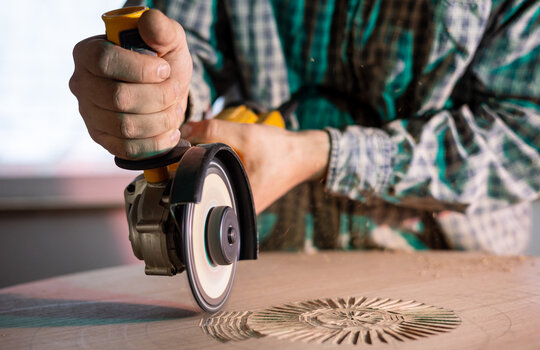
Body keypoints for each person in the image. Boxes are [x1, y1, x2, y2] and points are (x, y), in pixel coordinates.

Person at [70, 0, 540, 254]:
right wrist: (156, 96)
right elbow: (181, 42)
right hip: (267, 258)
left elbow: (525, 137)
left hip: (451, 263)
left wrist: (318, 155)